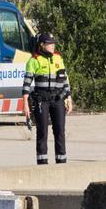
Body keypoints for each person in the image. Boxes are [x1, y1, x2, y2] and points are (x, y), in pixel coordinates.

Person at [22, 32, 73, 165]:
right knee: (42, 132)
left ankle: (61, 162)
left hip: (58, 100)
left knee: (60, 131)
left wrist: (68, 97)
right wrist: (25, 105)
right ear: (42, 45)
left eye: (53, 43)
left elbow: (65, 79)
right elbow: (26, 84)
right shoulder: (34, 60)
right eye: (49, 43)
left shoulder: (58, 58)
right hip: (41, 101)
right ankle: (42, 164)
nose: (52, 45)